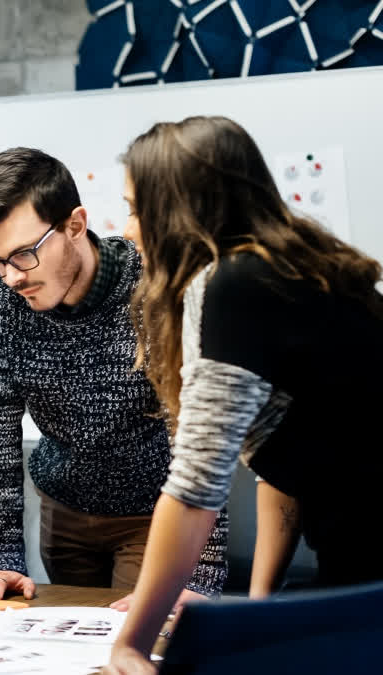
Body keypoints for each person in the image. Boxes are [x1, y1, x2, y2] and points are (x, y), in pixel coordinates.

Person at [105, 116, 383, 674]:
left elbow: (193, 491)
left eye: (137, 209)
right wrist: (258, 611)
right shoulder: (291, 267)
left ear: (176, 209)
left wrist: (129, 646)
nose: (129, 228)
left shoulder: (236, 284)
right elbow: (288, 459)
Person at [0, 148, 227, 608]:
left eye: (24, 254)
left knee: (137, 645)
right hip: (64, 513)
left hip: (156, 515)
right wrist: (0, 556)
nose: (10, 278)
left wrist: (200, 575)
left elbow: (199, 431)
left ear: (75, 226)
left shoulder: (153, 288)